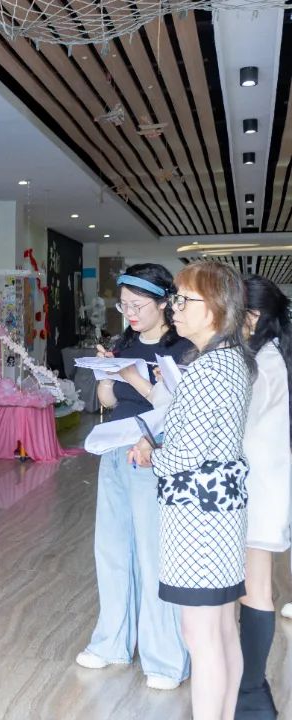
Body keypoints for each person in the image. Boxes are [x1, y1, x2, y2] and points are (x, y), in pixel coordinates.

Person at [129, 261, 254, 720]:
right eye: (175, 299)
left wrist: (151, 455)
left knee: (201, 635)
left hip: (197, 516)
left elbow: (185, 455)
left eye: (184, 300)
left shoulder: (208, 369)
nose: (174, 309)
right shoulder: (232, 360)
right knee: (221, 630)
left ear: (216, 308)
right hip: (220, 511)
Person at [77, 264, 192, 690]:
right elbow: (109, 401)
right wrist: (107, 376)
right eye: (124, 305)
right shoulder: (124, 343)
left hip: (154, 458)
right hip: (115, 450)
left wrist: (133, 378)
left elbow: (182, 410)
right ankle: (112, 643)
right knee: (110, 550)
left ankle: (165, 660)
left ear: (164, 303)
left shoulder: (182, 349)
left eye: (138, 305)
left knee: (153, 556)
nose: (129, 313)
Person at [235, 276, 292, 718]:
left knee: (254, 590)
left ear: (252, 317)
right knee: (252, 589)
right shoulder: (270, 356)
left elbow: (236, 424)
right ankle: (249, 686)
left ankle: (252, 691)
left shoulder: (260, 363)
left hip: (256, 491)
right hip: (261, 487)